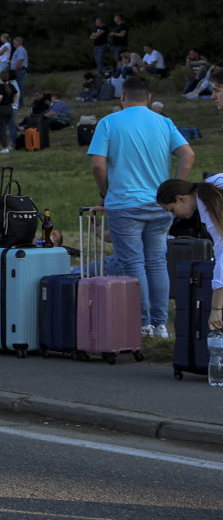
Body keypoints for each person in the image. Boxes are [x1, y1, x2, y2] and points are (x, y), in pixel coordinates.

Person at [89, 75, 194, 338]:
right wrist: (174, 189)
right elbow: (188, 155)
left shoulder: (109, 123)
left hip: (124, 204)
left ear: (122, 96)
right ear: (149, 98)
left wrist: (106, 191)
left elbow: (98, 165)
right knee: (157, 263)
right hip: (159, 205)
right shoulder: (164, 122)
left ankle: (142, 322)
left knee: (133, 263)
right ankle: (160, 324)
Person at [157, 177, 223, 335]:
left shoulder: (210, 210)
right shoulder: (213, 182)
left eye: (171, 210)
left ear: (181, 198)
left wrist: (216, 308)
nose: (173, 216)